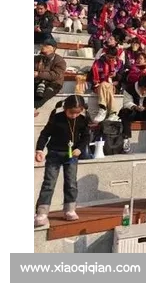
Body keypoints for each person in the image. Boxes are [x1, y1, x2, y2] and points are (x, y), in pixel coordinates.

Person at [34, 95, 90, 227]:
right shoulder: (56, 117)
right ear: (65, 108)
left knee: (71, 183)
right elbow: (45, 134)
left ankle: (70, 209)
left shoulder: (82, 120)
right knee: (49, 183)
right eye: (71, 112)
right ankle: (42, 212)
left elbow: (86, 137)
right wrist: (39, 150)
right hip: (54, 154)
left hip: (72, 156)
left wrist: (80, 149)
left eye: (77, 113)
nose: (74, 116)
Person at [119, 75, 146, 154]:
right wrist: (134, 106)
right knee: (124, 112)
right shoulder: (129, 89)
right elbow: (126, 102)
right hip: (134, 112)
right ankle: (126, 139)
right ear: (138, 86)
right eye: (142, 89)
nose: (144, 92)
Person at [33, 38, 67, 112]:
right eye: (43, 44)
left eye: (46, 45)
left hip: (53, 83)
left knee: (41, 95)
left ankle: (33, 109)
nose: (43, 46)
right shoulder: (37, 58)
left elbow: (56, 75)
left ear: (53, 48)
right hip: (38, 81)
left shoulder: (59, 60)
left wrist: (39, 74)